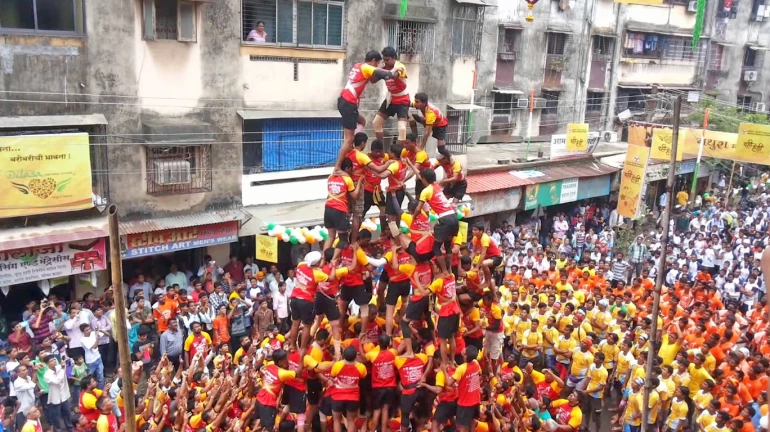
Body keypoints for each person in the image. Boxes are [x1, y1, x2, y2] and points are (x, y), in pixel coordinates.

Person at [335, 50, 394, 170]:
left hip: (343, 100)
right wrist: (395, 71)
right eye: (377, 64)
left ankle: (352, 148)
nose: (376, 66)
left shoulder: (358, 65)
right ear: (373, 61)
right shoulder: (367, 67)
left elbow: (372, 79)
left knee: (362, 121)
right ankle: (337, 167)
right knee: (348, 138)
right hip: (348, 103)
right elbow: (386, 75)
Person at [373, 46, 410, 144]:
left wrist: (381, 71)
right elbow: (373, 80)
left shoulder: (400, 66)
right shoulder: (384, 67)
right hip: (390, 99)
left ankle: (399, 154)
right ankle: (380, 149)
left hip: (402, 100)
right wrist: (377, 70)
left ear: (394, 58)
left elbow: (393, 75)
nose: (385, 62)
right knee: (376, 123)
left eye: (387, 60)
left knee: (402, 128)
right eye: (384, 59)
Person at [410, 92, 451, 158]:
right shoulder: (419, 104)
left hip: (440, 126)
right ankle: (416, 137)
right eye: (415, 101)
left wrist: (421, 147)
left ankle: (451, 158)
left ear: (424, 103)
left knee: (441, 149)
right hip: (430, 121)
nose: (415, 103)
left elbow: (427, 133)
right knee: (414, 116)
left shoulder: (430, 113)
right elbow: (408, 104)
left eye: (417, 102)